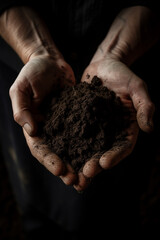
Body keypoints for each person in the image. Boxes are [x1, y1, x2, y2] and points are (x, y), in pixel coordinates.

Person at [0, 0, 159, 239]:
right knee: (33, 181)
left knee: (118, 193)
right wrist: (35, 51)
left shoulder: (112, 104)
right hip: (32, 76)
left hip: (131, 59)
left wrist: (116, 53)